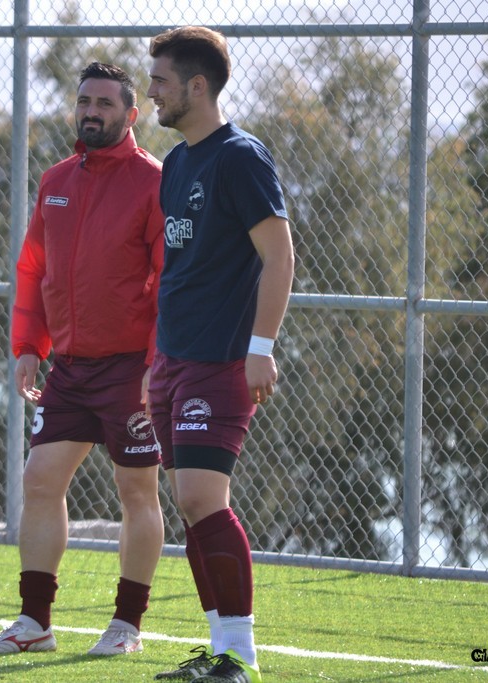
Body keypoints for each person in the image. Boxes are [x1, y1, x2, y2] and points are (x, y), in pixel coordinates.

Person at [0, 62, 166, 657]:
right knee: (39, 481)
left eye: (106, 103)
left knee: (137, 491)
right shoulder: (55, 180)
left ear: (131, 114)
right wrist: (29, 348)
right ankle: (34, 623)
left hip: (130, 369)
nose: (92, 112)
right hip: (69, 369)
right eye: (85, 101)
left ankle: (126, 626)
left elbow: (171, 279)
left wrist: (156, 364)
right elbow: (34, 269)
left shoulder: (155, 181)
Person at [145, 27, 295, 683]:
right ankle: (218, 648)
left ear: (197, 85)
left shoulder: (240, 157)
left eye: (161, 81)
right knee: (190, 504)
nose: (152, 92)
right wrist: (154, 359)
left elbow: (279, 257)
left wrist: (261, 347)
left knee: (204, 497)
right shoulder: (176, 163)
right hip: (172, 361)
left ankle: (240, 655)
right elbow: (178, 270)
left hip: (222, 360)